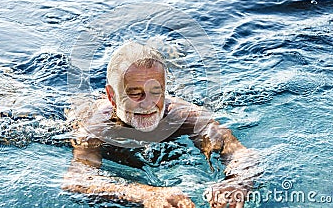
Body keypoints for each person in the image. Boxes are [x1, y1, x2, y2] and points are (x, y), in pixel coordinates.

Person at [62, 41, 259, 208]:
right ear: (112, 96)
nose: (148, 104)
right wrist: (146, 194)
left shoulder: (183, 116)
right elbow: (77, 179)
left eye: (156, 91)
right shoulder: (95, 126)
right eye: (135, 93)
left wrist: (236, 183)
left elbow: (242, 154)